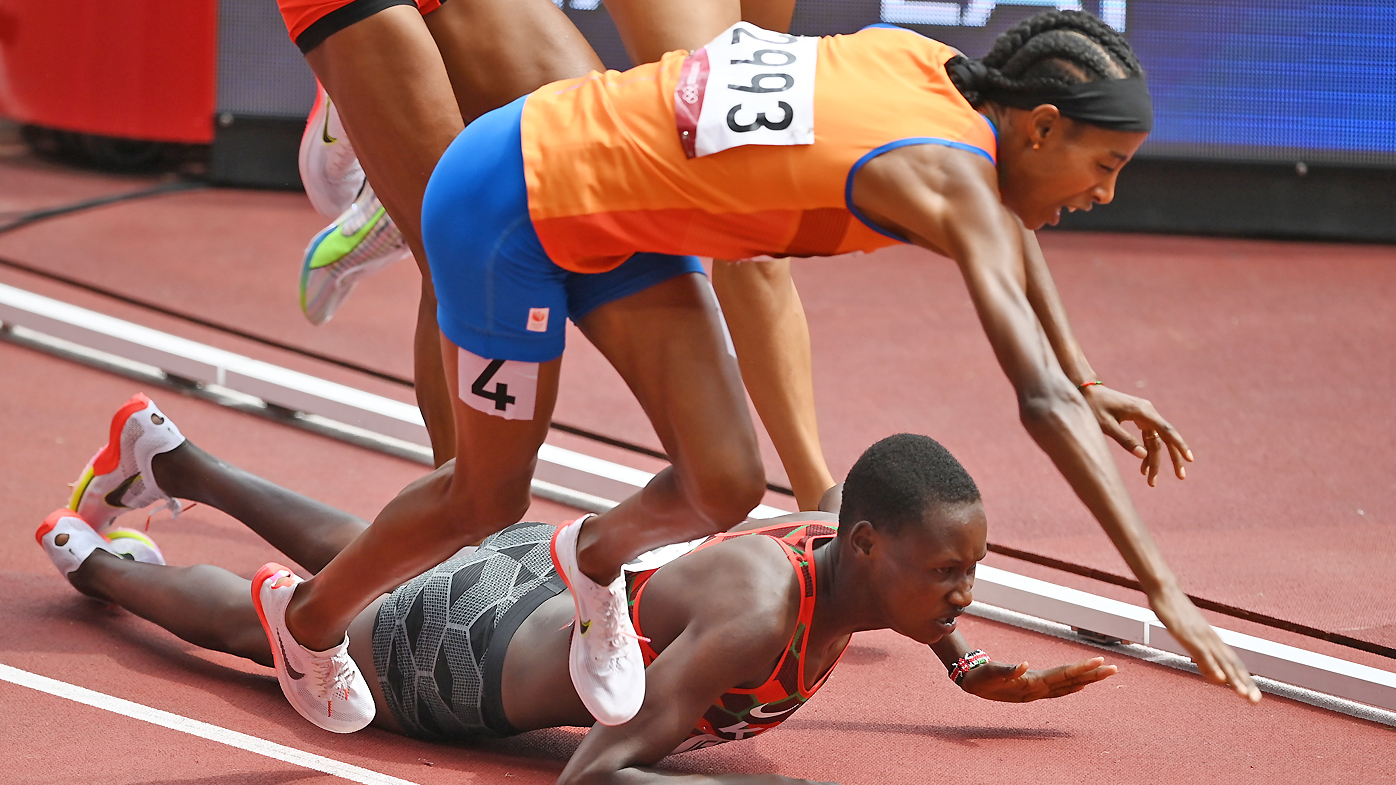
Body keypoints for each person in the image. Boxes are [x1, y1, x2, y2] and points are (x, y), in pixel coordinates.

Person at [45, 403, 1118, 779]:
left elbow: (905, 574)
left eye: (968, 568)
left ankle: (173, 459)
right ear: (874, 546)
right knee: (256, 627)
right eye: (949, 573)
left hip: (538, 569)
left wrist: (965, 661)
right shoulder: (754, 618)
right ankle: (94, 561)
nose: (962, 589)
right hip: (465, 660)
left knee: (361, 546)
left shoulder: (843, 542)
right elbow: (597, 770)